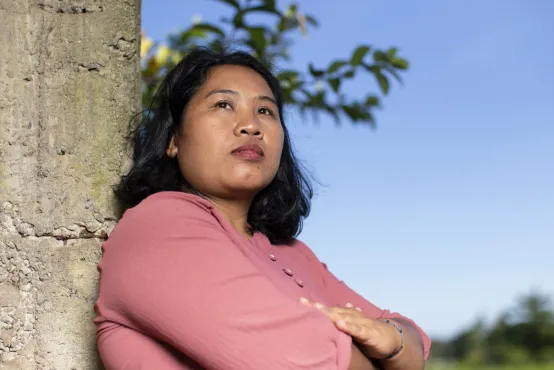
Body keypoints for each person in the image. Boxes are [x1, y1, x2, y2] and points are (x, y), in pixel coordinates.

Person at [93, 47, 431, 370]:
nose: (250, 125)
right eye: (223, 104)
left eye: (265, 111)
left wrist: (395, 341)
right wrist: (383, 356)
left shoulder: (296, 255)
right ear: (173, 140)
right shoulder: (157, 226)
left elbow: (413, 338)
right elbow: (303, 360)